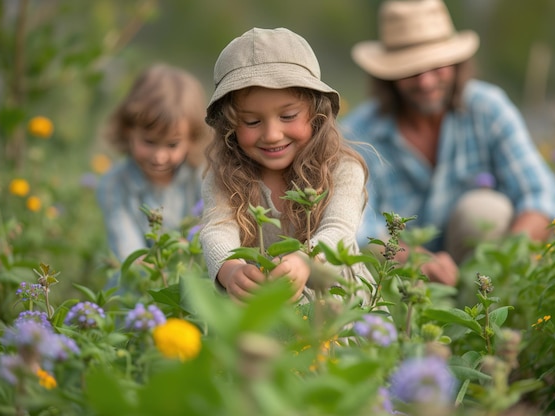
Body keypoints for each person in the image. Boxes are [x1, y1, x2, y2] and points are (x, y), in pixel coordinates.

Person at [341, 0, 555, 286]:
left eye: (437, 66)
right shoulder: (358, 134)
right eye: (411, 70)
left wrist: (507, 259)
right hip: (401, 284)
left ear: (455, 63)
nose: (426, 82)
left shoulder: (488, 109)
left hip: (489, 277)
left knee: (484, 212)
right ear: (388, 76)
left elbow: (544, 196)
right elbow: (356, 227)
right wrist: (411, 259)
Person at [200, 27, 371, 303]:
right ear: (229, 125)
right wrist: (231, 271)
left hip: (337, 301)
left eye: (288, 116)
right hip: (261, 301)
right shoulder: (224, 175)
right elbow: (217, 229)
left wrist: (306, 261)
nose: (272, 134)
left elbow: (339, 230)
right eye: (252, 122)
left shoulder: (343, 168)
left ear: (317, 113)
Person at [97, 63, 211, 262]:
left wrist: (193, 244)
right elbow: (130, 254)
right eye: (149, 142)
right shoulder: (114, 185)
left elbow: (215, 229)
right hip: (138, 284)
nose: (159, 156)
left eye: (172, 145)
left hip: (194, 275)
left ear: (191, 139)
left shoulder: (201, 176)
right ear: (128, 130)